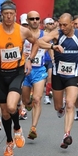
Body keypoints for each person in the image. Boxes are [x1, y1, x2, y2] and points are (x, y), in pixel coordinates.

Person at [0, 0, 39, 156]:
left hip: (17, 72)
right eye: (5, 14)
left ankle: (18, 128)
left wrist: (29, 59)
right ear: (2, 15)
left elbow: (36, 43)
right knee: (5, 113)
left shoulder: (22, 31)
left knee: (12, 107)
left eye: (11, 14)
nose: (8, 17)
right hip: (1, 74)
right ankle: (9, 142)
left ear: (15, 14)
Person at [38, 13, 78, 149]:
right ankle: (60, 109)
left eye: (65, 25)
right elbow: (40, 41)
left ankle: (66, 134)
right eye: (60, 24)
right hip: (58, 75)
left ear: (71, 24)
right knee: (58, 106)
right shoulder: (57, 34)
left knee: (70, 104)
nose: (62, 27)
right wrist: (53, 47)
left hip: (73, 75)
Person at [21, 11, 48, 140]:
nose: (35, 21)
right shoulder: (22, 34)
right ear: (28, 20)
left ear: (40, 20)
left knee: (37, 99)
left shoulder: (44, 35)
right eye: (32, 19)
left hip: (39, 70)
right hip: (25, 71)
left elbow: (51, 46)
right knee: (26, 101)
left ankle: (33, 128)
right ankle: (28, 102)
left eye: (37, 18)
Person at [43, 17, 56, 105]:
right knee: (42, 79)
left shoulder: (55, 34)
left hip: (50, 59)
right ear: (45, 25)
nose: (51, 25)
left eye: (52, 24)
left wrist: (53, 58)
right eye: (49, 24)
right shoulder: (42, 34)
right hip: (42, 59)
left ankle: (47, 96)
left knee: (50, 77)